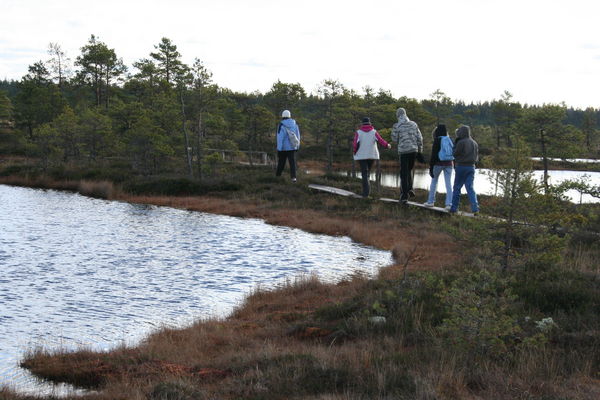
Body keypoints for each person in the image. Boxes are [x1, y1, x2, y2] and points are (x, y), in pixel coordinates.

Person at [352, 117, 391, 197]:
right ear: (370, 123)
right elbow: (381, 140)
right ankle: (367, 193)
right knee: (367, 174)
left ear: (362, 124)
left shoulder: (358, 132)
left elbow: (355, 144)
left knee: (364, 174)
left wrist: (355, 152)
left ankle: (365, 194)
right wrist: (387, 145)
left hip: (361, 156)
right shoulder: (374, 132)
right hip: (371, 155)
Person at [391, 107, 423, 203]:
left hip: (404, 152)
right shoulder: (414, 124)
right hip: (413, 151)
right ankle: (410, 189)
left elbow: (394, 139)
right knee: (409, 170)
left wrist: (394, 130)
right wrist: (420, 151)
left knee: (403, 173)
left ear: (398, 115)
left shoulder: (397, 126)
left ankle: (404, 195)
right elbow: (420, 138)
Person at [449, 125, 479, 214]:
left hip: (461, 167)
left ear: (461, 132)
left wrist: (454, 146)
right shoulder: (474, 143)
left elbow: (454, 154)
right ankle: (475, 209)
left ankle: (454, 208)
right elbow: (477, 158)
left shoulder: (461, 142)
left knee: (457, 188)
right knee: (470, 188)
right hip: (472, 167)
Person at [424, 124, 453, 209]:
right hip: (449, 164)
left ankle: (431, 202)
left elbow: (433, 156)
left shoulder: (437, 140)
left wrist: (431, 167)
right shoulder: (449, 139)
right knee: (448, 184)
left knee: (434, 181)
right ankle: (449, 204)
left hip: (438, 164)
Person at [276, 109, 300, 182]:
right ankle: (293, 178)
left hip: (283, 148)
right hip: (292, 147)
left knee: (281, 162)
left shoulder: (281, 125)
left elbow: (280, 138)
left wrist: (279, 149)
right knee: (292, 163)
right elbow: (298, 137)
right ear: (289, 116)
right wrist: (297, 147)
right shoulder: (295, 124)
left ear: (283, 116)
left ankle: (278, 176)